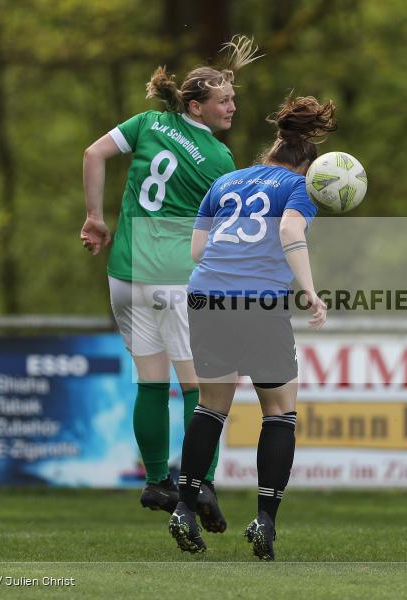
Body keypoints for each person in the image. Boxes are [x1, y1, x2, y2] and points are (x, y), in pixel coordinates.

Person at [80, 36, 261, 534]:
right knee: (202, 388)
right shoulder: (219, 159)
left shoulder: (147, 124)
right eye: (224, 100)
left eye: (233, 99)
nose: (233, 107)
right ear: (197, 105)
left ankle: (157, 481)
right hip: (174, 280)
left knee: (150, 381)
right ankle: (198, 482)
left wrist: (95, 219)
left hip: (124, 273)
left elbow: (93, 154)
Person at [167, 95, 335, 560]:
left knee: (211, 406)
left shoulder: (226, 181)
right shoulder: (299, 187)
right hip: (257, 300)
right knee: (280, 409)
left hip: (205, 296)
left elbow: (198, 250)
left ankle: (183, 506)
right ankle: (265, 520)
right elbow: (289, 233)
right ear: (308, 165)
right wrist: (309, 291)